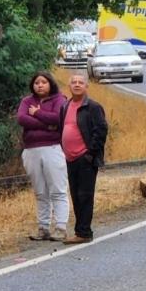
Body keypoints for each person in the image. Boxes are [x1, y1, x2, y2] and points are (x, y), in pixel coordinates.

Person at [17, 72, 68, 241]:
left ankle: (60, 226)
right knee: (40, 191)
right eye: (37, 82)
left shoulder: (59, 99)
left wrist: (37, 113)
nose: (40, 85)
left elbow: (59, 118)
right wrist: (48, 125)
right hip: (31, 149)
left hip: (52, 148)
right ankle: (43, 227)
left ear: (50, 84)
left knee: (57, 189)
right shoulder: (27, 101)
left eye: (44, 82)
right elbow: (22, 119)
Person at [60, 74, 107, 244]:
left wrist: (90, 154)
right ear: (69, 86)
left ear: (86, 86)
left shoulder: (92, 107)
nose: (77, 85)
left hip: (85, 158)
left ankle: (84, 232)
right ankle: (80, 231)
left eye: (81, 82)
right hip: (70, 158)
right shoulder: (65, 106)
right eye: (74, 82)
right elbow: (62, 129)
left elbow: (100, 131)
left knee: (85, 195)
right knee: (75, 195)